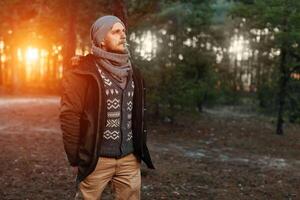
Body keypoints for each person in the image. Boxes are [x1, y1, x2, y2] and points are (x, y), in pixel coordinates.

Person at [59, 15, 154, 200]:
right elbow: (69, 116)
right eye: (116, 31)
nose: (123, 36)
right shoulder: (82, 73)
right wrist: (76, 157)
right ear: (101, 39)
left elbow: (139, 113)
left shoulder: (134, 72)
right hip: (96, 159)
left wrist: (138, 150)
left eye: (124, 31)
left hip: (129, 158)